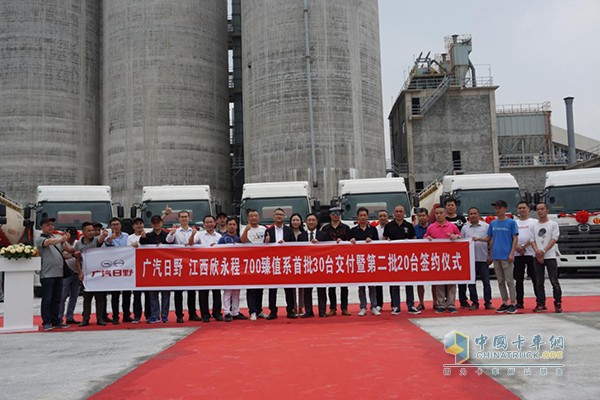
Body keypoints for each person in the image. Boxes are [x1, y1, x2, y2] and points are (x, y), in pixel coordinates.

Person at [476, 200, 519, 314]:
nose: (497, 210)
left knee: (509, 280)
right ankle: (505, 302)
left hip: (506, 255)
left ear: (505, 209)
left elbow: (515, 238)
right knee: (500, 281)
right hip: (496, 256)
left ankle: (513, 303)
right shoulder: (493, 224)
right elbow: (489, 239)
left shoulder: (511, 223)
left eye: (500, 208)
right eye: (496, 208)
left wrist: (512, 253)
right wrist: (478, 239)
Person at [35, 217, 72, 331]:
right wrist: (61, 239)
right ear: (42, 227)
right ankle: (46, 322)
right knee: (47, 299)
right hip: (47, 274)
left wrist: (67, 241)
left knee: (57, 299)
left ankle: (56, 320)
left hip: (58, 274)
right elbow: (48, 243)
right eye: (48, 225)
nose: (51, 227)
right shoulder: (40, 239)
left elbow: (66, 251)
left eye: (52, 224)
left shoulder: (56, 238)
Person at [383, 205, 420, 315]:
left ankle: (411, 305)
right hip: (393, 259)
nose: (398, 213)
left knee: (409, 283)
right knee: (394, 284)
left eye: (400, 211)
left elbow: (414, 240)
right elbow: (384, 241)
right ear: (393, 213)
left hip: (407, 259)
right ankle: (396, 306)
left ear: (404, 213)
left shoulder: (409, 225)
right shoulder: (388, 226)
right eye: (396, 211)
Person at [166, 210, 201, 323]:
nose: (184, 219)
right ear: (178, 219)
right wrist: (171, 233)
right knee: (178, 292)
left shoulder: (195, 231)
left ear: (189, 218)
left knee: (192, 291)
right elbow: (168, 241)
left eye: (186, 217)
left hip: (191, 263)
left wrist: (192, 235)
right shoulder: (175, 231)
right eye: (182, 217)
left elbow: (193, 243)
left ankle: (192, 313)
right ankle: (179, 315)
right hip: (179, 264)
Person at [425, 207, 461, 313]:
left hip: (450, 258)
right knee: (439, 282)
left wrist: (456, 237)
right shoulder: (431, 227)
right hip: (437, 258)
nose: (438, 215)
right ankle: (440, 304)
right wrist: (427, 238)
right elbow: (425, 237)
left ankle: (451, 304)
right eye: (436, 213)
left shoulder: (452, 226)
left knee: (451, 282)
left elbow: (461, 238)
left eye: (441, 213)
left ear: (445, 214)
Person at [264, 208, 298, 319]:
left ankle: (290, 310)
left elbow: (294, 246)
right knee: (272, 288)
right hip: (273, 263)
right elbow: (264, 248)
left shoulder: (289, 230)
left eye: (281, 215)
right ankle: (273, 311)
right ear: (273, 217)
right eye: (277, 214)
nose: (279, 216)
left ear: (284, 217)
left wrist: (286, 244)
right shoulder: (268, 231)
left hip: (286, 262)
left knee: (288, 288)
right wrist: (267, 242)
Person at [190, 215, 224, 322]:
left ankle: (217, 313)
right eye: (207, 222)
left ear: (215, 223)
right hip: (203, 267)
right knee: (203, 292)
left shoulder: (219, 236)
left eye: (211, 222)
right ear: (204, 224)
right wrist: (192, 235)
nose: (209, 224)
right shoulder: (199, 235)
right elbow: (191, 244)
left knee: (216, 292)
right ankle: (205, 314)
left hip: (215, 267)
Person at [530, 203, 562, 313]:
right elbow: (532, 240)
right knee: (539, 281)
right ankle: (541, 303)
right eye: (538, 209)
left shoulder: (553, 224)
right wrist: (537, 252)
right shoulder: (534, 225)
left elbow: (554, 239)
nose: (540, 211)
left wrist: (543, 251)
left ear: (547, 210)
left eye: (542, 209)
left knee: (554, 281)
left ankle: (557, 303)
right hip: (537, 256)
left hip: (550, 256)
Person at [460, 208, 494, 310]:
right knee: (471, 282)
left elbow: (491, 241)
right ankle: (474, 302)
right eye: (471, 214)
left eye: (475, 213)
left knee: (486, 282)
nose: (473, 215)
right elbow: (461, 244)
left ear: (479, 214)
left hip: (483, 258)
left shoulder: (486, 226)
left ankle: (488, 302)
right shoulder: (465, 228)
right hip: (470, 260)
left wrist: (490, 255)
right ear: (468, 216)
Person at [349, 207, 380, 316]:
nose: (363, 217)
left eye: (364, 215)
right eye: (360, 215)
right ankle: (362, 307)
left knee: (372, 285)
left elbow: (378, 245)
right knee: (361, 286)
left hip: (370, 260)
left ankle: (374, 306)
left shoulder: (373, 229)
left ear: (367, 217)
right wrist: (351, 241)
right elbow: (348, 247)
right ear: (357, 217)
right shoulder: (352, 231)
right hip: (359, 261)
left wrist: (372, 242)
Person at [139, 215, 170, 323]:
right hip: (152, 269)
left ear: (162, 223)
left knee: (165, 295)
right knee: (153, 295)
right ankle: (154, 315)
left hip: (165, 268)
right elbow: (141, 244)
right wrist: (142, 238)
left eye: (158, 222)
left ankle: (165, 315)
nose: (156, 224)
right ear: (152, 224)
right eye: (154, 222)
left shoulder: (167, 235)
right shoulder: (147, 235)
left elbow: (173, 247)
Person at [320, 206, 351, 316]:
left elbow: (350, 243)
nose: (335, 215)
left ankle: (344, 307)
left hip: (342, 259)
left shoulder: (346, 228)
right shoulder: (325, 229)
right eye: (333, 213)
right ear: (329, 215)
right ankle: (333, 308)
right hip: (330, 260)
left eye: (338, 213)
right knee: (331, 286)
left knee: (344, 285)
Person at [298, 213, 329, 318]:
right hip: (307, 266)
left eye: (313, 220)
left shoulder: (323, 235)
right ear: (306, 222)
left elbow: (328, 249)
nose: (311, 222)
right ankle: (308, 311)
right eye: (309, 220)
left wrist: (319, 244)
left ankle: (322, 311)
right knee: (307, 290)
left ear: (316, 222)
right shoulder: (301, 236)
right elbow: (298, 251)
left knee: (321, 290)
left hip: (320, 266)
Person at [76, 222, 108, 326]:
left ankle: (100, 318)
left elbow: (100, 239)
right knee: (87, 298)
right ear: (83, 232)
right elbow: (77, 260)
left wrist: (104, 235)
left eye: (92, 230)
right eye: (89, 230)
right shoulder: (78, 244)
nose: (91, 232)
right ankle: (85, 319)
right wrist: (80, 272)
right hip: (86, 274)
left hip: (98, 273)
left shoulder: (96, 241)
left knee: (100, 298)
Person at [241, 209, 268, 321]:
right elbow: (243, 241)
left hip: (261, 262)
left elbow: (268, 243)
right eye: (251, 216)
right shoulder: (244, 228)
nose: (253, 218)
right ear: (248, 218)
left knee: (259, 289)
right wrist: (246, 231)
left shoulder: (264, 229)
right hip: (249, 262)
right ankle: (252, 311)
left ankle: (259, 310)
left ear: (259, 217)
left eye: (255, 216)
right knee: (251, 288)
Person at [218, 217, 247, 322]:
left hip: (237, 268)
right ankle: (226, 312)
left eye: (234, 224)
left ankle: (235, 311)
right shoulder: (223, 239)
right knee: (228, 291)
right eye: (230, 224)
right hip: (227, 268)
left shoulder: (239, 239)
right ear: (226, 226)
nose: (232, 226)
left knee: (236, 291)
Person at [445, 198, 471, 308]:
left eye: (452, 205)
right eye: (448, 205)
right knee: (446, 278)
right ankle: (447, 300)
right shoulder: (443, 218)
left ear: (455, 207)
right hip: (445, 253)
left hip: (460, 253)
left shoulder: (461, 219)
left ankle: (463, 299)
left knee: (461, 277)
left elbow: (464, 234)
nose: (450, 207)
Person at [105, 217, 131, 324]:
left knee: (127, 294)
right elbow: (107, 243)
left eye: (117, 224)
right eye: (113, 224)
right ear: (110, 226)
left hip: (126, 267)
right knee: (115, 294)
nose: (116, 226)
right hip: (114, 269)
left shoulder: (126, 236)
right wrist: (111, 238)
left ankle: (126, 315)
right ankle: (115, 316)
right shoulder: (108, 236)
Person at [514, 201, 539, 309]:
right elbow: (511, 238)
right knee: (518, 280)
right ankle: (519, 301)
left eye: (524, 208)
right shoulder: (514, 223)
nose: (522, 210)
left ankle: (540, 301)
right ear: (517, 210)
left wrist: (524, 246)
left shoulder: (534, 222)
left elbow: (535, 236)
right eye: (520, 208)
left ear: (528, 209)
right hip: (517, 254)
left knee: (535, 278)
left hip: (531, 254)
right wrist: (517, 248)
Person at [127, 218, 151, 323]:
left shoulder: (148, 234)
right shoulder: (130, 238)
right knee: (136, 295)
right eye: (136, 224)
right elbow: (126, 251)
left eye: (141, 223)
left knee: (148, 294)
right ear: (133, 226)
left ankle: (149, 315)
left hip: (147, 268)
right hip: (135, 268)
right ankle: (137, 315)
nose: (139, 226)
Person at [59, 227, 80, 324]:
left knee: (74, 296)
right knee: (62, 297)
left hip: (76, 271)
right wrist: (73, 255)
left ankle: (70, 317)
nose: (73, 237)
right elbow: (63, 255)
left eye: (74, 235)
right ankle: (59, 317)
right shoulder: (61, 243)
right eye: (71, 235)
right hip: (66, 273)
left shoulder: (78, 243)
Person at [413, 207, 430, 310]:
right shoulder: (414, 229)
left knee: (435, 282)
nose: (422, 218)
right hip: (419, 258)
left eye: (424, 215)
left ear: (427, 217)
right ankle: (421, 302)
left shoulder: (433, 227)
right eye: (420, 216)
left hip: (432, 257)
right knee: (420, 282)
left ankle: (436, 302)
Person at [289, 213, 305, 314]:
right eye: (293, 220)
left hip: (302, 262)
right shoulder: (287, 233)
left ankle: (301, 306)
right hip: (290, 262)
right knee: (292, 287)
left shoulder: (304, 233)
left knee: (302, 286)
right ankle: (293, 306)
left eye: (297, 220)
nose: (295, 222)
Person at [374, 209, 389, 310]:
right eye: (381, 216)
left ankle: (395, 304)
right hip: (378, 258)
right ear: (378, 218)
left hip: (391, 257)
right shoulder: (375, 229)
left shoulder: (392, 227)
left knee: (393, 283)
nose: (383, 217)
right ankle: (379, 304)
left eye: (384, 216)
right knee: (377, 283)